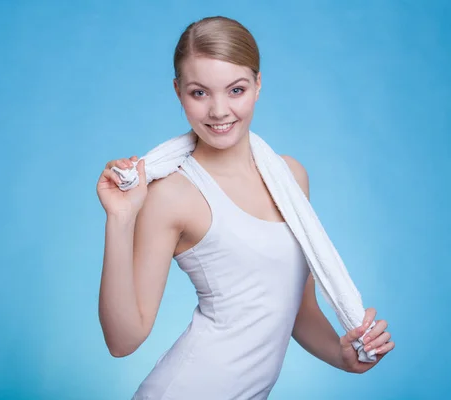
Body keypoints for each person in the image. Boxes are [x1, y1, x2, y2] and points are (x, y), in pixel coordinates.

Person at [96, 16, 394, 400]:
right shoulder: (172, 195)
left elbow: (296, 311)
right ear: (178, 92)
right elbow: (123, 341)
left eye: (235, 89)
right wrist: (120, 219)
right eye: (199, 93)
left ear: (258, 85)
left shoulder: (290, 178)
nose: (219, 110)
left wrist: (341, 353)